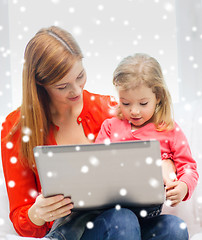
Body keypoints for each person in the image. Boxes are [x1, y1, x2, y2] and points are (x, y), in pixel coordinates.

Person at [0, 26, 187, 240]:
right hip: (75, 231)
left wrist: (166, 162)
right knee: (121, 220)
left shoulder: (109, 110)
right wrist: (37, 213)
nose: (77, 90)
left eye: (80, 76)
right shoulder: (16, 129)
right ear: (40, 84)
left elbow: (159, 136)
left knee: (173, 228)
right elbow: (21, 219)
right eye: (63, 87)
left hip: (129, 223)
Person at [95, 53, 199, 239]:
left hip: (148, 217)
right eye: (125, 103)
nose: (134, 111)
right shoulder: (110, 127)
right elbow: (96, 167)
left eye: (143, 103)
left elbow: (189, 167)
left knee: (177, 228)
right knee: (125, 219)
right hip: (114, 217)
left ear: (158, 97)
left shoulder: (170, 130)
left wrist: (183, 186)